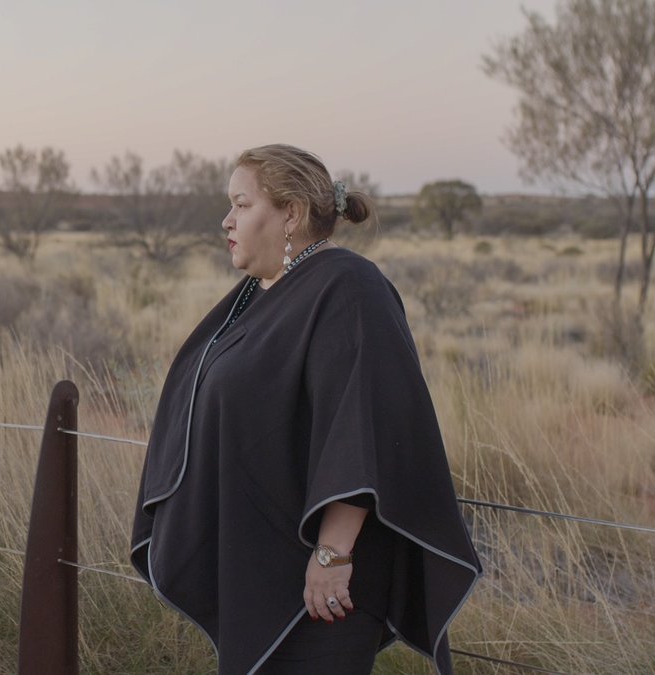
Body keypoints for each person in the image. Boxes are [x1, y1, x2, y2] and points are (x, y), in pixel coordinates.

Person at [130, 144, 481, 675]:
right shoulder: (261, 293)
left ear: (290, 212)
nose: (226, 220)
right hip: (263, 567)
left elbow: (362, 428)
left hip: (320, 585)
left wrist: (332, 556)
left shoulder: (349, 287)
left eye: (242, 205)